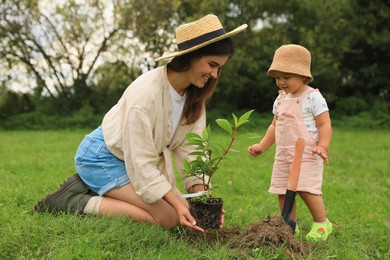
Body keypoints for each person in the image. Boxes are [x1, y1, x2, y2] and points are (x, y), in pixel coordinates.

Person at [34, 14, 247, 232]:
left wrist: (202, 202)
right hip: (103, 157)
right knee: (168, 219)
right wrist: (174, 202)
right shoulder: (146, 94)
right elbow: (142, 162)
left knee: (181, 210)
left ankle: (102, 189)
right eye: (212, 65)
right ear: (191, 56)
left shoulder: (194, 98)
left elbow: (193, 150)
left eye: (219, 68)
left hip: (132, 161)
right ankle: (74, 200)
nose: (214, 75)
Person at [247, 44, 333, 241]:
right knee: (282, 190)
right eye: (278, 77)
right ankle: (289, 225)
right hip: (284, 154)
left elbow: (324, 124)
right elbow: (274, 126)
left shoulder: (313, 97)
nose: (281, 82)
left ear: (303, 76)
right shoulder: (281, 99)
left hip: (307, 154)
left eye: (286, 77)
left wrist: (323, 145)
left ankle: (322, 223)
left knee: (306, 188)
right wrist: (263, 145)